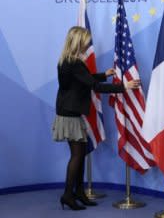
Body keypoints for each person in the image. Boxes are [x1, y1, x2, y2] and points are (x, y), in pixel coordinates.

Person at [52, 26, 140, 211]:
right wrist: (124, 86)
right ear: (78, 42)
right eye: (84, 42)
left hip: (69, 111)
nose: (86, 46)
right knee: (77, 155)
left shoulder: (67, 61)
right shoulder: (74, 63)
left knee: (80, 154)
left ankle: (79, 193)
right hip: (70, 114)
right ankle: (68, 195)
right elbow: (94, 87)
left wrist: (104, 75)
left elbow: (85, 78)